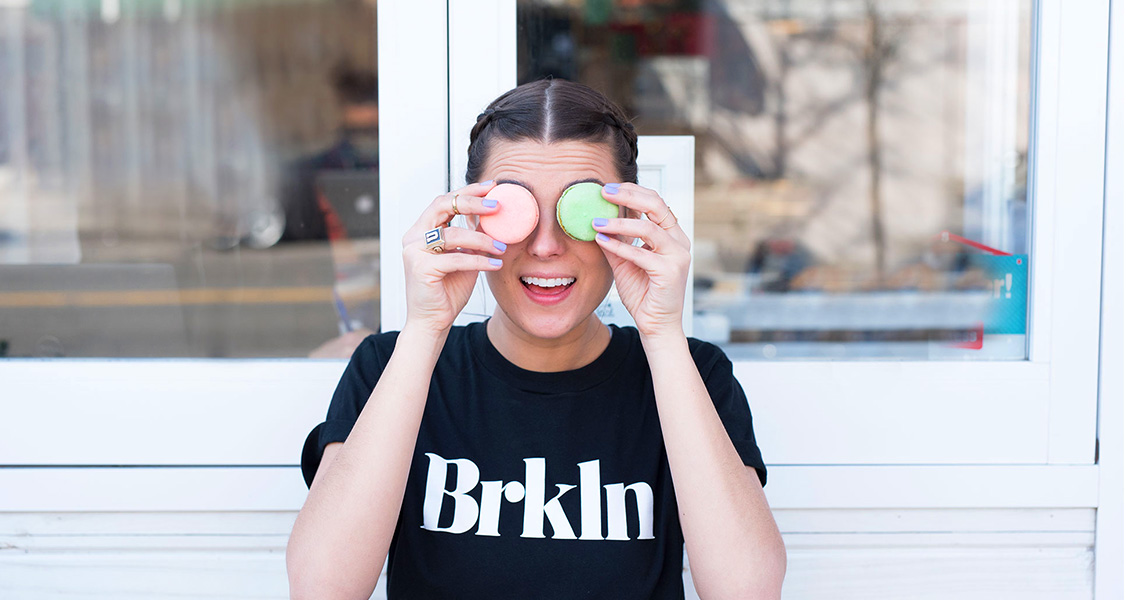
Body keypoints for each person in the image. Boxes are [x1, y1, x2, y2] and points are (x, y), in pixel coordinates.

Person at [287, 79, 786, 599]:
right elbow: (322, 588)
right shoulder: (389, 366)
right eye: (514, 212)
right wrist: (424, 327)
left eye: (578, 214)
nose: (546, 245)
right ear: (472, 218)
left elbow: (748, 591)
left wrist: (662, 332)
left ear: (627, 220)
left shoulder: (690, 375)